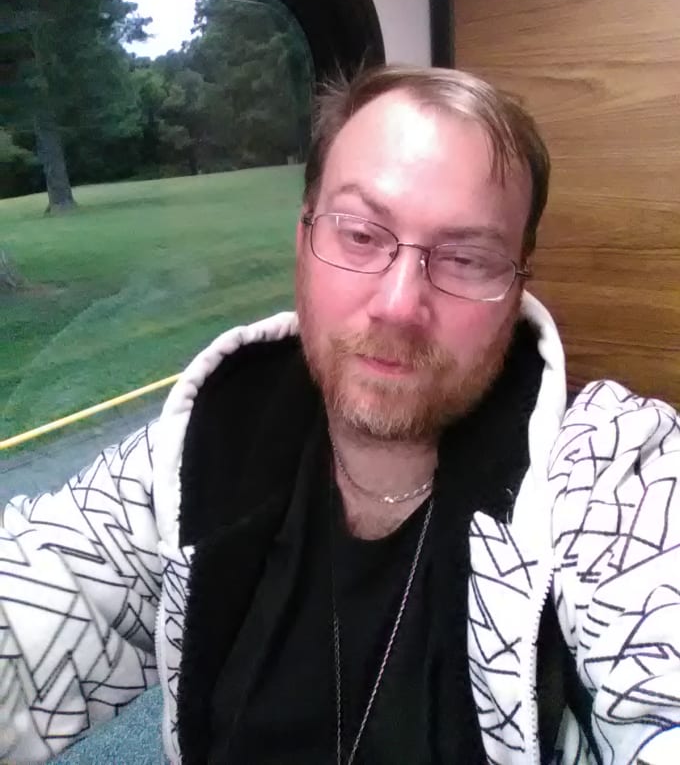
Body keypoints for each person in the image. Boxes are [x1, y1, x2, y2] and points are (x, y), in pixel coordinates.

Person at [1, 65, 679, 765]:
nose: (398, 304)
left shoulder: (610, 475)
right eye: (359, 234)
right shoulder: (200, 447)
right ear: (303, 240)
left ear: (516, 285)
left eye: (467, 257)